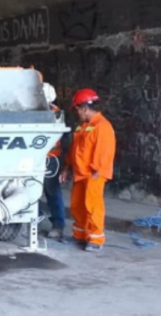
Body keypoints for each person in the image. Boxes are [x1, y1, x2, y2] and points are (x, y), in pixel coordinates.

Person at [60, 89, 116, 252]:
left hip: (93, 173)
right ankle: (80, 235)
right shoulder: (83, 127)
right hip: (81, 172)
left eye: (77, 109)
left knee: (93, 205)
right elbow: (74, 150)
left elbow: (105, 151)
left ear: (84, 108)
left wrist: (97, 170)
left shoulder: (102, 126)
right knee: (77, 205)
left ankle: (96, 239)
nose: (77, 113)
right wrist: (67, 167)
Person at [41, 84, 67, 240]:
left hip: (50, 158)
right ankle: (33, 218)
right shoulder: (34, 111)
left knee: (52, 191)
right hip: (36, 157)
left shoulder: (54, 113)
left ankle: (58, 225)